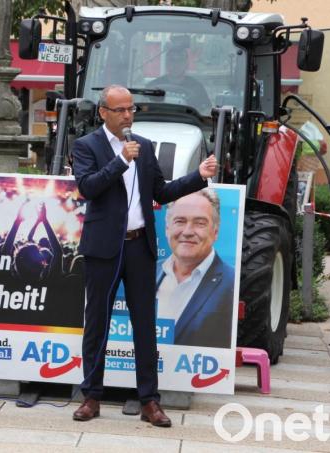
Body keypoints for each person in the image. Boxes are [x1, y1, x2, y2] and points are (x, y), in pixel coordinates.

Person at [71, 85, 217, 426]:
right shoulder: (86, 146)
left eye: (131, 110)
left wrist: (199, 177)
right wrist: (121, 161)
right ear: (103, 113)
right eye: (120, 110)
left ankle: (149, 400)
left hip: (139, 246)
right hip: (104, 247)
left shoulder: (145, 148)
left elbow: (162, 192)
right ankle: (91, 396)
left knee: (144, 326)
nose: (127, 116)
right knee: (97, 323)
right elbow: (88, 187)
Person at [156, 188, 235, 349]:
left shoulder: (232, 283)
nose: (187, 232)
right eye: (180, 221)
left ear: (215, 232)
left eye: (199, 223)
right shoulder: (145, 273)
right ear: (167, 229)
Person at [148, 47, 212, 113]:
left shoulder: (197, 88)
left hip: (188, 122)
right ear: (166, 63)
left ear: (186, 64)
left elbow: (206, 111)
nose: (176, 64)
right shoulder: (153, 86)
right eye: (172, 60)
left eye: (180, 60)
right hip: (158, 121)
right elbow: (144, 109)